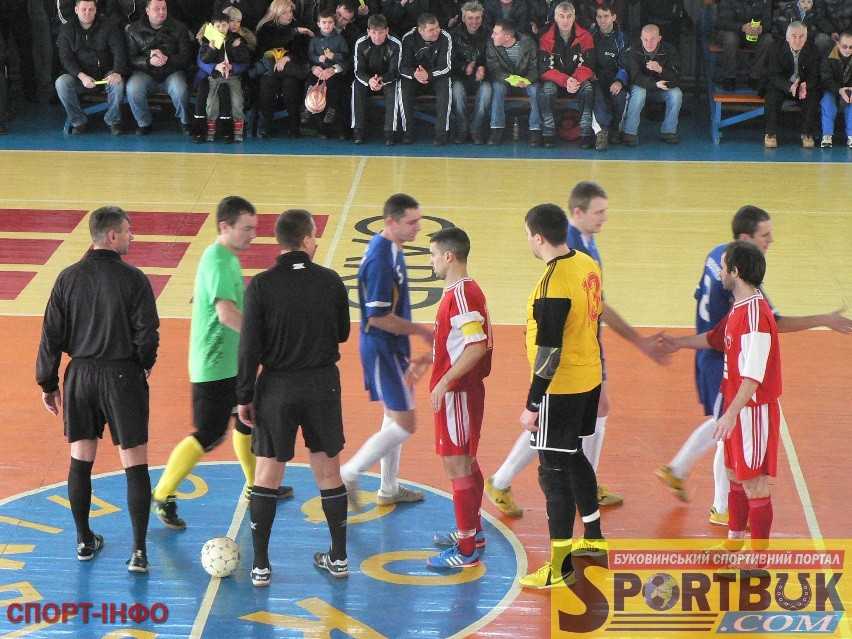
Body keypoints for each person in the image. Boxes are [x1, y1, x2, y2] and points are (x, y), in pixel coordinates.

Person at [657, 205, 852, 523]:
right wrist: (824, 319)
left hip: (711, 348)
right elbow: (775, 324)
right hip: (722, 358)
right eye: (765, 235)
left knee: (722, 422)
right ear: (746, 238)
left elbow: (702, 300)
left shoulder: (717, 255)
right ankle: (721, 507)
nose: (770, 241)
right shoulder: (745, 284)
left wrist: (681, 342)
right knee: (728, 428)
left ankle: (680, 469)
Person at [485, 181, 668, 517]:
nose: (604, 218)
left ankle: (577, 481)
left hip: (585, 344)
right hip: (572, 349)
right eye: (599, 212)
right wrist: (639, 342)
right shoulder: (572, 250)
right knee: (553, 419)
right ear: (578, 212)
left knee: (589, 411)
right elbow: (588, 306)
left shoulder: (585, 245)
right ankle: (508, 480)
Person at [151, 197, 292, 532]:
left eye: (255, 229)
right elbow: (226, 313)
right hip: (213, 365)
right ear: (224, 226)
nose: (253, 235)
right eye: (246, 229)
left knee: (246, 420)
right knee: (210, 432)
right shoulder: (217, 260)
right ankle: (162, 494)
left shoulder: (227, 258)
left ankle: (256, 485)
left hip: (231, 362)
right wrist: (263, 342)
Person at [36, 207, 159, 573]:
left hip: (81, 376)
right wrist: (143, 363)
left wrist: (48, 382)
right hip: (122, 375)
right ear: (111, 235)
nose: (133, 236)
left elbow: (50, 335)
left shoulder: (67, 278)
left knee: (81, 460)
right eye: (128, 231)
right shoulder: (134, 279)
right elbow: (147, 332)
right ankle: (139, 552)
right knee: (135, 463)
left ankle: (84, 541)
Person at [237, 209, 351, 587]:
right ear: (305, 240)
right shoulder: (330, 281)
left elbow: (249, 347)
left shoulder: (261, 285)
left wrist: (244, 395)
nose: (316, 242)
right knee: (328, 471)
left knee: (267, 474)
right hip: (322, 385)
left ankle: (260, 565)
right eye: (315, 236)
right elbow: (342, 333)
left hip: (277, 388)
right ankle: (339, 557)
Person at [663, 241, 781, 555]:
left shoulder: (755, 315)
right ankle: (733, 541)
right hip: (736, 407)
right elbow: (715, 339)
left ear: (736, 272)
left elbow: (754, 376)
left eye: (724, 266)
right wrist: (679, 342)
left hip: (751, 410)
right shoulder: (738, 308)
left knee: (755, 483)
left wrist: (730, 414)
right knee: (733, 475)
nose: (720, 272)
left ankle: (757, 558)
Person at [517, 203, 605, 590]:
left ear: (538, 237)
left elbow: (549, 351)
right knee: (572, 455)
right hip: (588, 376)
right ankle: (594, 536)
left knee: (552, 473)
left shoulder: (552, 285)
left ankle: (559, 566)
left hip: (561, 387)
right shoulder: (586, 263)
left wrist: (533, 403)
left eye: (527, 235)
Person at [340, 193, 433, 509]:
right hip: (383, 349)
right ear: (391, 222)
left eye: (419, 221)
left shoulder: (392, 248)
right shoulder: (381, 261)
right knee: (406, 423)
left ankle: (388, 488)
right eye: (411, 222)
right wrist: (422, 331)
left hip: (391, 347)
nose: (418, 227)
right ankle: (350, 471)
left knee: (392, 416)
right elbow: (378, 317)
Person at [423, 228, 493, 570]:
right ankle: (472, 533)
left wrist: (445, 381)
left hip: (458, 394)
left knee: (458, 465)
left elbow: (476, 346)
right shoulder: (460, 291)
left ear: (449, 256)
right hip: (459, 392)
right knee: (465, 462)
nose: (431, 261)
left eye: (433, 255)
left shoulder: (462, 294)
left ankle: (466, 551)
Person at [55, 0, 127, 135]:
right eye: (83, 9)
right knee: (61, 83)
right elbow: (65, 59)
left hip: (106, 74)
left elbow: (119, 51)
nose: (87, 13)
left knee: (118, 84)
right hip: (80, 77)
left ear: (96, 10)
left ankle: (113, 121)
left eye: (91, 9)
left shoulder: (109, 26)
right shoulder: (66, 29)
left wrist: (117, 72)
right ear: (76, 10)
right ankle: (78, 121)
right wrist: (82, 76)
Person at [125, 0, 193, 134]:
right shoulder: (133, 30)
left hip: (172, 71)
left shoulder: (180, 28)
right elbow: (130, 59)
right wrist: (148, 61)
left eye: (164, 8)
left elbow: (186, 57)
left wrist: (168, 59)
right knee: (132, 89)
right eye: (157, 9)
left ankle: (185, 121)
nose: (161, 12)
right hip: (145, 72)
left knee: (180, 90)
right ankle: (144, 123)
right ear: (147, 11)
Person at [537, 2, 595, 149]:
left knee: (588, 88)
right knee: (547, 90)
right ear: (555, 17)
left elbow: (589, 65)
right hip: (556, 81)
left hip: (577, 81)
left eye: (569, 16)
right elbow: (544, 69)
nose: (565, 20)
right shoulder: (545, 38)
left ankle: (586, 132)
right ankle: (548, 132)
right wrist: (566, 80)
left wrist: (574, 80)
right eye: (561, 16)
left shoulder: (585, 36)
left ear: (574, 17)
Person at [763, 21, 820, 148]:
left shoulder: (813, 49)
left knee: (813, 96)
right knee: (772, 96)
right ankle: (770, 133)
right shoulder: (775, 48)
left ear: (806, 37)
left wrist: (806, 86)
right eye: (794, 36)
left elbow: (815, 75)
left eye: (801, 36)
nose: (798, 40)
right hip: (782, 85)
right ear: (787, 37)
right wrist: (788, 86)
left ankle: (807, 133)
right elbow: (773, 75)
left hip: (803, 85)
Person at [623, 23, 683, 145]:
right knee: (639, 92)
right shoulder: (634, 50)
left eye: (652, 39)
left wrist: (660, 70)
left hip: (661, 89)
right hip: (641, 88)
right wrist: (654, 84)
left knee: (676, 94)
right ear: (641, 38)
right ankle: (630, 132)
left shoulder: (670, 50)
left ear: (659, 38)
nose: (648, 43)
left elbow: (677, 77)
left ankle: (669, 131)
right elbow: (634, 77)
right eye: (645, 39)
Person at [398, 13, 453, 145]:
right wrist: (414, 74)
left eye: (437, 27)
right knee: (403, 86)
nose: (436, 32)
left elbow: (446, 66)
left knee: (446, 84)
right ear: (421, 30)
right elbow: (402, 67)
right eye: (431, 30)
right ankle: (408, 133)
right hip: (415, 77)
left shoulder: (445, 37)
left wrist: (428, 74)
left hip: (436, 76)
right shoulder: (408, 38)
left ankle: (441, 134)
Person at [485, 19, 542, 146]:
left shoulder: (528, 43)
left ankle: (535, 130)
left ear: (507, 37)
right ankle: (496, 129)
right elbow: (494, 69)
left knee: (535, 90)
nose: (492, 36)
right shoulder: (491, 44)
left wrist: (526, 80)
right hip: (505, 80)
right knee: (497, 88)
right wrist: (513, 80)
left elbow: (535, 68)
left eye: (496, 33)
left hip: (526, 80)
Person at [198, 12, 251, 142]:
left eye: (224, 25)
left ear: (228, 26)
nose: (221, 28)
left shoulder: (236, 39)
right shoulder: (208, 40)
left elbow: (245, 59)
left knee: (237, 102)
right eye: (218, 26)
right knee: (211, 103)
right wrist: (211, 49)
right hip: (215, 77)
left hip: (232, 77)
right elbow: (203, 59)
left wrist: (236, 49)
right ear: (212, 27)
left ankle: (238, 132)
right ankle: (211, 131)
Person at [352, 14, 402, 145]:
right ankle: (358, 131)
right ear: (368, 31)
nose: (377, 36)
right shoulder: (360, 43)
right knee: (356, 86)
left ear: (387, 31)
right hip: (367, 79)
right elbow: (358, 70)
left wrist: (381, 80)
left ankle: (390, 132)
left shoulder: (396, 43)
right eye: (373, 33)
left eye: (380, 33)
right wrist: (369, 81)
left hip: (387, 79)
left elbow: (395, 71)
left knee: (394, 88)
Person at [589, 2, 629, 150]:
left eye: (606, 16)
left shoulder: (622, 38)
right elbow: (585, 59)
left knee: (620, 96)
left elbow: (626, 64)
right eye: (599, 17)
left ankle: (615, 129)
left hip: (614, 77)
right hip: (596, 78)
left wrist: (619, 81)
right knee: (596, 95)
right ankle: (602, 133)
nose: (602, 20)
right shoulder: (590, 36)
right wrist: (589, 73)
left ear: (614, 17)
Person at [449, 2, 491, 144]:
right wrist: (464, 67)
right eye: (470, 18)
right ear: (463, 18)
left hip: (481, 77)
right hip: (459, 77)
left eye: (477, 18)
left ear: (482, 18)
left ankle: (476, 128)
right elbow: (449, 61)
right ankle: (462, 127)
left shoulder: (489, 34)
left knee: (487, 91)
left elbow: (493, 58)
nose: (474, 22)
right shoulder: (453, 35)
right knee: (456, 91)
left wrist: (483, 68)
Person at [307, 8, 351, 137]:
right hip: (318, 72)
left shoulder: (340, 39)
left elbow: (345, 56)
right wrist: (317, 62)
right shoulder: (314, 40)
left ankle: (332, 110)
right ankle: (307, 110)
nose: (327, 25)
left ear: (334, 24)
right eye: (324, 22)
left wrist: (334, 57)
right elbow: (310, 56)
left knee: (334, 89)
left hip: (334, 73)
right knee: (310, 85)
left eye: (330, 22)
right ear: (318, 24)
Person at [713, 0, 774, 91]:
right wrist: (742, 27)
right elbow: (721, 23)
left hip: (753, 35)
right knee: (730, 39)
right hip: (731, 32)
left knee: (768, 39)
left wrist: (762, 28)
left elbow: (769, 23)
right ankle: (729, 77)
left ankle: (755, 77)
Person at [819, 30, 852, 148]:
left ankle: (851, 136)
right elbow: (825, 79)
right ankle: (827, 135)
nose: (848, 50)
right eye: (844, 46)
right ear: (838, 44)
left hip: (849, 89)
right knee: (827, 102)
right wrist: (839, 90)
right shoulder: (828, 55)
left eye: (851, 47)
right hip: (831, 88)